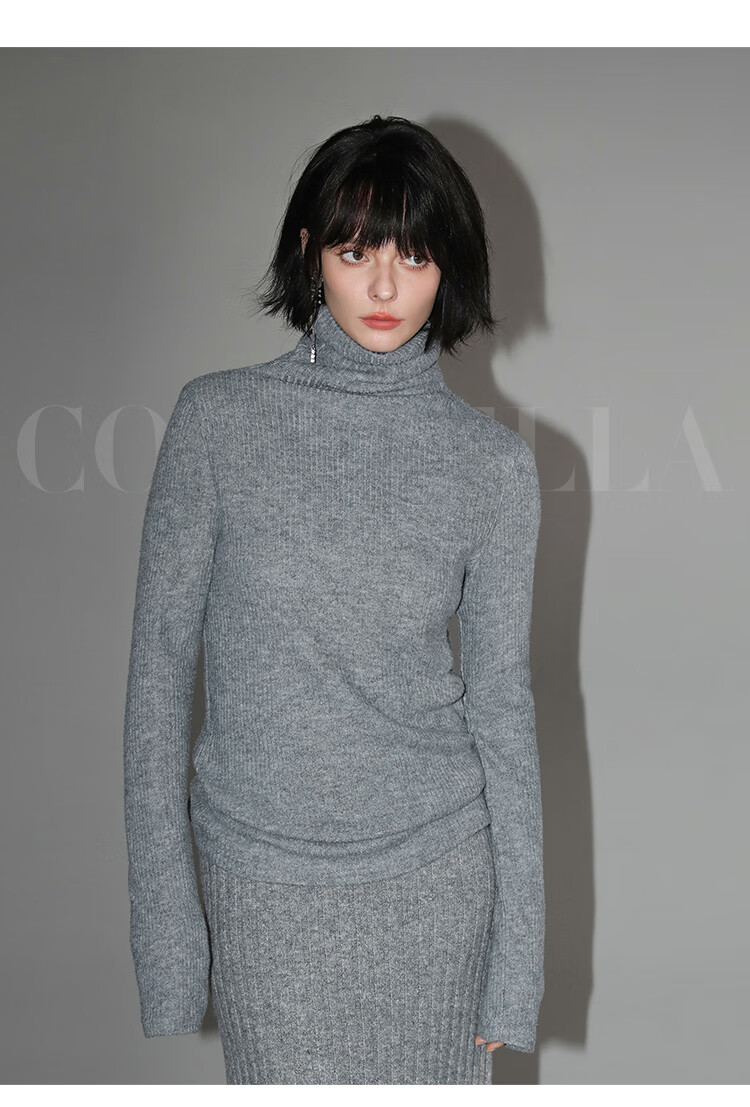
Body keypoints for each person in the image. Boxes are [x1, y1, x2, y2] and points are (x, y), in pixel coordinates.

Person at [123, 113, 544, 1085]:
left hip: (441, 884)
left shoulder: (491, 466)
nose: (386, 287)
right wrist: (169, 939)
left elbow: (502, 710)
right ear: (312, 253)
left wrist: (515, 964)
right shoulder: (216, 425)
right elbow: (155, 685)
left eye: (415, 255)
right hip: (264, 883)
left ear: (450, 267)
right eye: (358, 252)